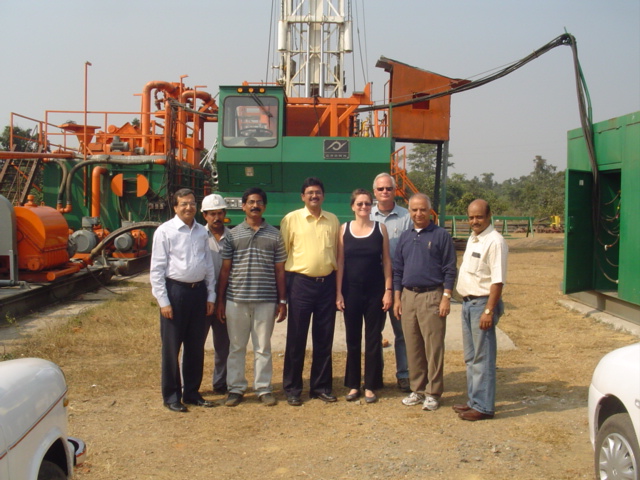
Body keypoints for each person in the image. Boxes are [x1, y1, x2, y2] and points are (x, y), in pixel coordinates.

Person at [216, 188, 287, 407]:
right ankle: (236, 389)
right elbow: (225, 270)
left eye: (259, 202)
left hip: (265, 300)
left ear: (264, 206)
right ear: (243, 206)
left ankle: (263, 388)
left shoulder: (275, 235)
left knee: (262, 347)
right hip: (236, 300)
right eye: (250, 202)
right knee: (236, 347)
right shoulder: (232, 235)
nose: (255, 206)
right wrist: (220, 301)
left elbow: (280, 271)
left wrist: (282, 301)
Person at [150, 188, 216, 412]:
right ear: (175, 207)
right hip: (175, 293)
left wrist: (211, 294)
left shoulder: (201, 232)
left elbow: (208, 265)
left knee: (195, 347)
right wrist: (163, 301)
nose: (189, 207)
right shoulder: (165, 231)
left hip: (198, 294)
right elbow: (157, 269)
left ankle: (192, 393)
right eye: (184, 204)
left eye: (192, 203)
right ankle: (171, 396)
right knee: (172, 348)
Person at [393, 193, 456, 412]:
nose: (418, 214)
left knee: (433, 346)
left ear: (430, 211)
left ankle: (433, 392)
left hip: (432, 296)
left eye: (423, 210)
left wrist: (446, 297)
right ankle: (417, 390)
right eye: (414, 210)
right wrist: (397, 297)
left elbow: (449, 268)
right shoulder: (405, 236)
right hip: (409, 296)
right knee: (413, 346)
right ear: (408, 211)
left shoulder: (440, 236)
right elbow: (398, 269)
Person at [280, 177, 340, 406]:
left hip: (326, 284)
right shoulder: (291, 220)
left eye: (318, 192)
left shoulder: (333, 220)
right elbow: (283, 256)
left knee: (324, 338)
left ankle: (321, 387)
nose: (314, 196)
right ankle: (293, 388)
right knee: (296, 338)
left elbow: (336, 254)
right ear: (302, 197)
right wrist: (283, 296)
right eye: (309, 193)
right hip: (300, 284)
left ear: (323, 196)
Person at [453, 199, 508, 421]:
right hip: (467, 304)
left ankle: (484, 407)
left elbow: (498, 280)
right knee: (471, 358)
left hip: (482, 305)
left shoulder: (495, 242)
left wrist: (488, 310)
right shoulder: (474, 239)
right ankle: (474, 401)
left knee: (483, 358)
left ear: (489, 216)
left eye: (479, 217)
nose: (474, 221)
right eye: (471, 217)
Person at [336, 189, 393, 403]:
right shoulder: (344, 229)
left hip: (375, 292)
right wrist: (338, 292)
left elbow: (387, 261)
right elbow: (340, 262)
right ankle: (352, 384)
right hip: (351, 291)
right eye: (359, 204)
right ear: (352, 206)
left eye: (367, 204)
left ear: (372, 206)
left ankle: (370, 385)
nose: (363, 207)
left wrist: (388, 291)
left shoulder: (381, 229)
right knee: (352, 339)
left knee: (372, 339)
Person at [370, 173, 412, 392]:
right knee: (374, 332)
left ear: (395, 190)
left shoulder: (406, 217)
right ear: (374, 192)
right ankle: (375, 376)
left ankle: (404, 375)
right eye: (380, 189)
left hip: (400, 284)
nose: (384, 192)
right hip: (373, 283)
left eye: (388, 188)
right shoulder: (367, 214)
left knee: (402, 333)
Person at [201, 193, 231, 395]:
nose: (216, 218)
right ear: (205, 216)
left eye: (219, 213)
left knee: (224, 346)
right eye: (212, 214)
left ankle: (220, 383)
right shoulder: (197, 236)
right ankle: (189, 385)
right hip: (201, 299)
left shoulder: (234, 237)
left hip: (226, 299)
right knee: (194, 345)